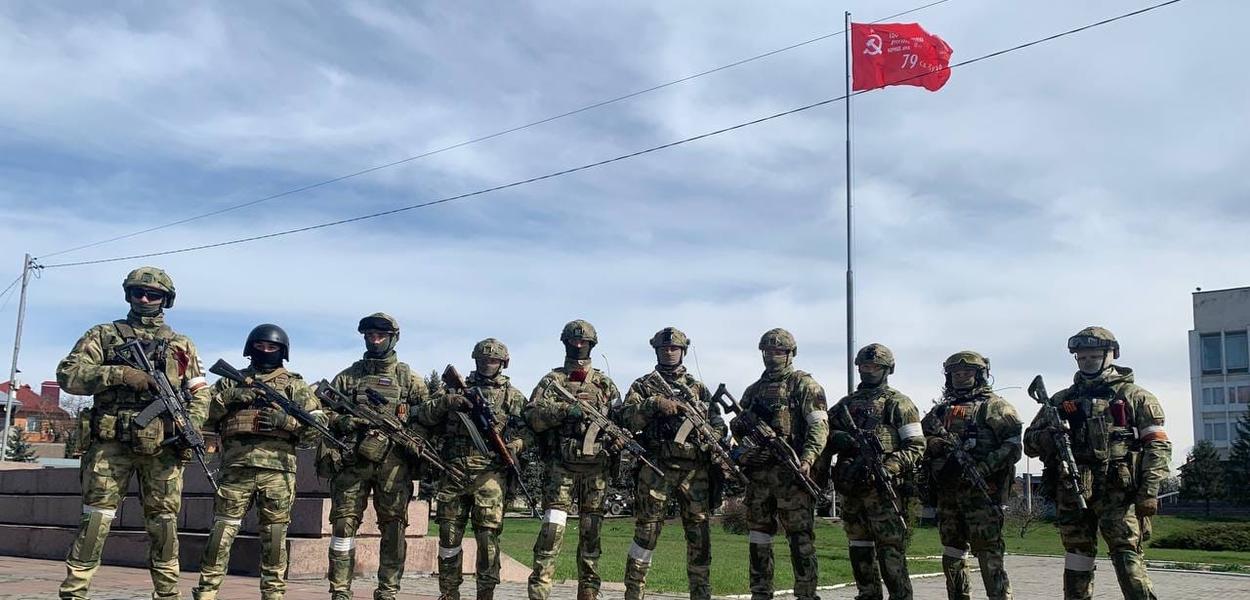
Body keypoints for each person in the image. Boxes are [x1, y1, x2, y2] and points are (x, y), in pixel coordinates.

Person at [56, 266, 211, 600]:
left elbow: (200, 393)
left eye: (153, 294)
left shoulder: (181, 345)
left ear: (165, 300)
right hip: (112, 443)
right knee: (96, 519)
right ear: (128, 294)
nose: (144, 299)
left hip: (163, 447)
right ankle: (75, 590)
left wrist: (190, 425)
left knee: (164, 523)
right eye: (137, 292)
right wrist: (122, 374)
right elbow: (69, 375)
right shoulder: (103, 334)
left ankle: (168, 593)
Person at [1023, 327, 1171, 600]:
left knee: (1127, 556)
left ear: (1111, 355)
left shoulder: (1135, 396)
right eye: (1081, 357)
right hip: (1072, 490)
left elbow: (1158, 446)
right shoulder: (1060, 400)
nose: (1087, 362)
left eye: (1093, 356)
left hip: (1118, 492)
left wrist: (1149, 492)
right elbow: (1029, 443)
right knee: (1077, 558)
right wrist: (1050, 435)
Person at [192, 324, 326, 600]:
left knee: (275, 537)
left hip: (277, 471)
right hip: (236, 469)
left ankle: (273, 594)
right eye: (260, 346)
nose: (265, 352)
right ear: (249, 348)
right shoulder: (231, 381)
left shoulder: (294, 385)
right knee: (221, 532)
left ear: (282, 351)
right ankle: (206, 590)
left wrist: (285, 421)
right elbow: (202, 414)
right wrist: (229, 398)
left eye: (272, 347)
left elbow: (317, 428)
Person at [414, 338, 533, 600]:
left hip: (489, 475)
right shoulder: (453, 391)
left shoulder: (512, 396)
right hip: (454, 471)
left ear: (503, 363)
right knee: (448, 536)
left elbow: (530, 429)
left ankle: (486, 594)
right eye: (482, 360)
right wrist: (448, 402)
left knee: (488, 540)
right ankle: (448, 592)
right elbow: (422, 415)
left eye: (492, 360)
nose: (487, 364)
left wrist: (515, 445)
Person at [323, 313, 429, 600]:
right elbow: (323, 412)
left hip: (393, 463)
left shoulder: (410, 379)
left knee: (394, 527)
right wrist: (344, 422)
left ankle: (388, 589)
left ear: (393, 338)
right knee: (344, 524)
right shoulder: (348, 377)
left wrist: (413, 438)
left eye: (380, 335)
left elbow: (427, 417)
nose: (374, 339)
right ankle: (340, 589)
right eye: (369, 335)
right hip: (353, 460)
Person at [616, 327, 724, 600]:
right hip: (656, 468)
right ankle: (634, 592)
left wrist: (712, 438)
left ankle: (701, 593)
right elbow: (625, 419)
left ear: (683, 351)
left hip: (694, 471)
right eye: (664, 348)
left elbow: (718, 424)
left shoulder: (698, 388)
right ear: (657, 350)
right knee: (646, 533)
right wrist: (654, 404)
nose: (669, 351)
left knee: (699, 534)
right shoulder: (643, 385)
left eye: (674, 348)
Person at [523, 319, 622, 600]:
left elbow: (621, 419)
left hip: (596, 469)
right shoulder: (552, 381)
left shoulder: (605, 383)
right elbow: (532, 417)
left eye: (584, 342)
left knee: (591, 535)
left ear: (592, 344)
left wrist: (615, 439)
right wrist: (566, 410)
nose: (579, 346)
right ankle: (540, 592)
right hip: (561, 470)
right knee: (551, 533)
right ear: (565, 343)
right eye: (574, 341)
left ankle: (589, 593)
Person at [821, 343, 924, 600]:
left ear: (887, 369)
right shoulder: (846, 405)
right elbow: (825, 436)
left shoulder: (899, 403)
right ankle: (867, 595)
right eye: (864, 366)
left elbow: (916, 446)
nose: (868, 371)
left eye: (875, 366)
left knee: (891, 552)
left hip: (885, 492)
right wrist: (840, 438)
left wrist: (890, 467)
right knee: (859, 548)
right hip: (853, 489)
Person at [730, 328, 827, 600]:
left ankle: (806, 594)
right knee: (759, 536)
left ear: (790, 353)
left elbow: (819, 427)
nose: (773, 356)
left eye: (779, 351)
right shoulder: (754, 390)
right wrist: (748, 447)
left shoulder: (805, 386)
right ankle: (760, 592)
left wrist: (808, 458)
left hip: (793, 476)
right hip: (760, 478)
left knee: (800, 538)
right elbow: (739, 429)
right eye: (768, 351)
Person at [920, 351, 1020, 600]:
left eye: (967, 373)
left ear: (980, 375)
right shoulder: (940, 411)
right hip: (949, 493)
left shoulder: (995, 406)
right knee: (952, 551)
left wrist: (985, 468)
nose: (961, 377)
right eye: (956, 373)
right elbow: (919, 440)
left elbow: (1013, 445)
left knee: (989, 552)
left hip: (983, 493)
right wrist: (934, 443)